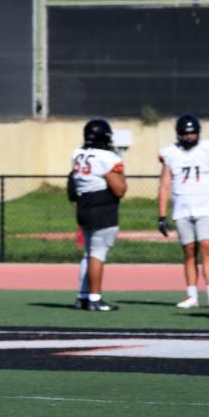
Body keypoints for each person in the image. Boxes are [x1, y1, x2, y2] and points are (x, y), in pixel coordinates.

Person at [157, 114, 209, 310]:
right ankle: (192, 295)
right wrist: (161, 215)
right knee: (188, 251)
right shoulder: (170, 153)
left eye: (193, 133)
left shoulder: (208, 149)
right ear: (179, 134)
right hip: (182, 209)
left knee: (207, 247)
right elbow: (164, 186)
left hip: (206, 207)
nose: (190, 137)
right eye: (186, 134)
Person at [67, 119, 127, 311]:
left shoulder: (77, 153)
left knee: (89, 253)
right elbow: (119, 190)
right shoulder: (108, 157)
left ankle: (83, 296)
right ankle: (95, 298)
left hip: (84, 204)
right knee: (98, 254)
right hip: (102, 206)